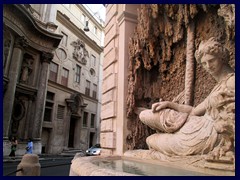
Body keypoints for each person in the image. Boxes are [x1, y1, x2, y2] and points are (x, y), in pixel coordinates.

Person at [139, 37, 235, 160]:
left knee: (151, 140)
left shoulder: (232, 82)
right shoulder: (219, 85)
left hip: (205, 135)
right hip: (195, 124)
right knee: (145, 115)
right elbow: (194, 111)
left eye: (211, 61)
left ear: (222, 58)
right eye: (204, 63)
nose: (208, 66)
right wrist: (169, 104)